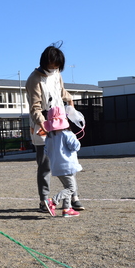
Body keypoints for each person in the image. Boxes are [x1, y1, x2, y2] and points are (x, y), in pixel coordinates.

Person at [26, 43, 84, 213]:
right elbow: (34, 107)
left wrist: (70, 101)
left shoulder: (57, 74)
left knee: (68, 161)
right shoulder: (34, 79)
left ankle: (74, 196)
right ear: (45, 62)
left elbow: (61, 91)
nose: (54, 69)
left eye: (57, 66)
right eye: (52, 65)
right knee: (45, 165)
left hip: (61, 124)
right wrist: (45, 125)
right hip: (43, 126)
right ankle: (44, 200)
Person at [42, 106, 82, 217]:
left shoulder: (49, 137)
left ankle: (67, 209)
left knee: (67, 187)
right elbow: (75, 147)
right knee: (71, 188)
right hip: (67, 166)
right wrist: (76, 139)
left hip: (56, 166)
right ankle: (53, 201)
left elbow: (46, 151)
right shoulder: (67, 134)